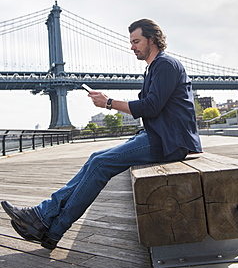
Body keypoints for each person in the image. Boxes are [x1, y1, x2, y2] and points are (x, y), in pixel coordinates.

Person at [1, 18, 202, 250]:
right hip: (158, 136)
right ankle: (46, 223)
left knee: (101, 164)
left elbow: (151, 106)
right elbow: (151, 106)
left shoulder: (165, 64)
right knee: (96, 158)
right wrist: (110, 102)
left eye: (136, 41)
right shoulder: (154, 68)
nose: (132, 47)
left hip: (170, 142)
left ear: (152, 40)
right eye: (131, 42)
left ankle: (48, 224)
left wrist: (108, 103)